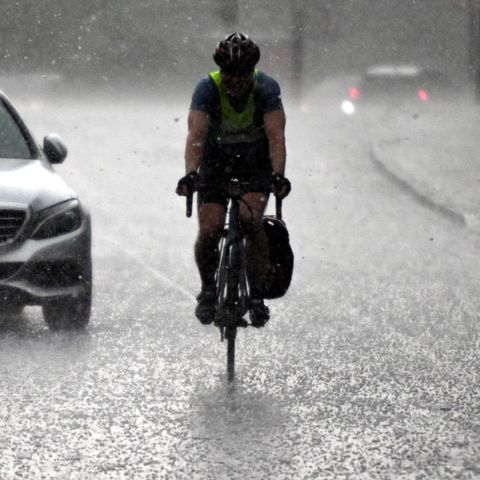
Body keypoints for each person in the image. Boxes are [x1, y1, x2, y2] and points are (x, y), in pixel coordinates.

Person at [176, 32, 291, 327]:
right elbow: (195, 137)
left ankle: (256, 296)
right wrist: (191, 174)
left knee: (250, 220)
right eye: (229, 74)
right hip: (215, 164)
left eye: (242, 75)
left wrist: (278, 175)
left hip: (255, 164)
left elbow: (276, 137)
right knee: (210, 228)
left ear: (251, 72)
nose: (235, 82)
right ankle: (208, 289)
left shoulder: (266, 88)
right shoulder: (207, 88)